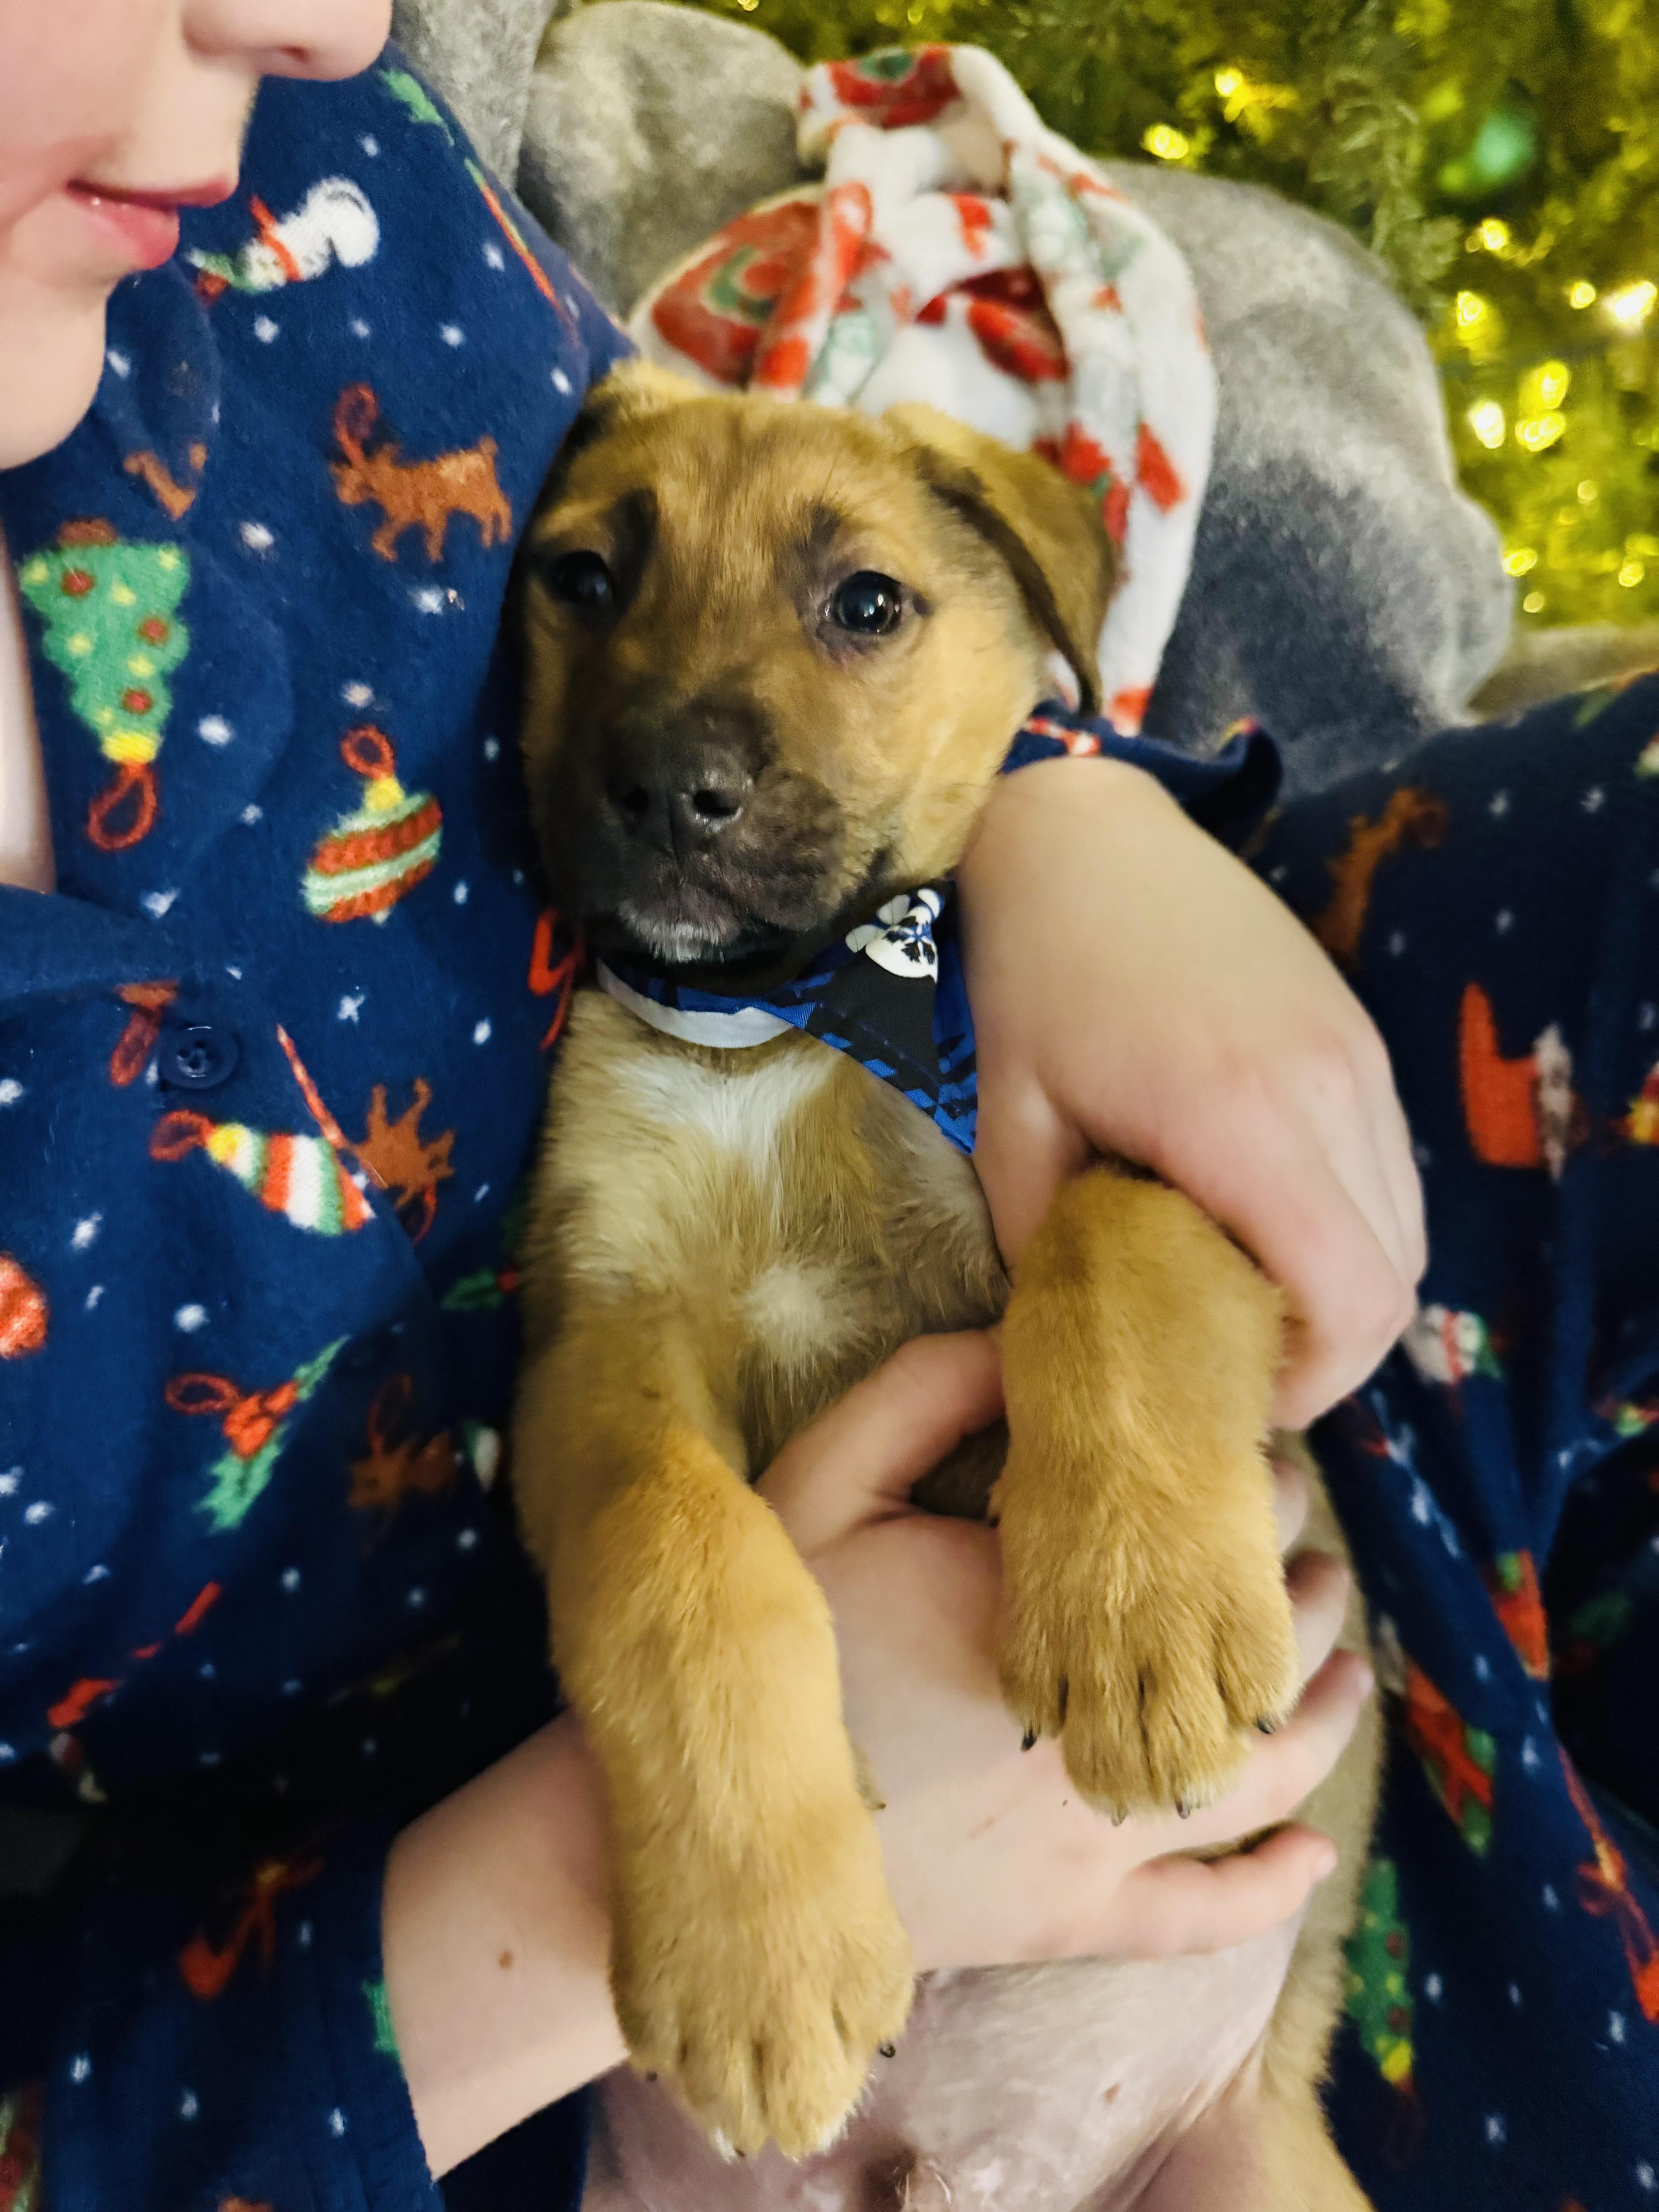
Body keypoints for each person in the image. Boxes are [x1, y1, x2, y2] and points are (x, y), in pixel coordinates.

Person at [0, 5, 1443, 2207]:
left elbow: (748, 488)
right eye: (590, 590)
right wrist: (602, 1867)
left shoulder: (295, 192)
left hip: (1235, 2002)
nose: (325, 10)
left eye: (850, 613)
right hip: (516, 2048)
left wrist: (1079, 823)